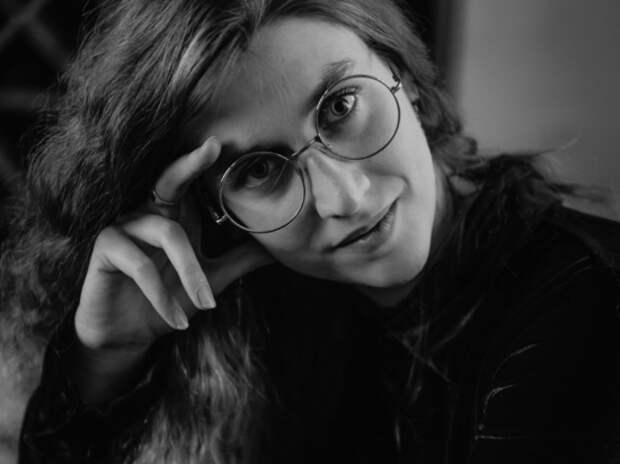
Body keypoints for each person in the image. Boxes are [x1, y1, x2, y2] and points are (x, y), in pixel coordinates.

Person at [1, 0, 619, 462]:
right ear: (210, 212)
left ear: (404, 76)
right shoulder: (275, 314)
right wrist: (107, 358)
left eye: (341, 106)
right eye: (259, 169)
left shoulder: (583, 303)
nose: (344, 197)